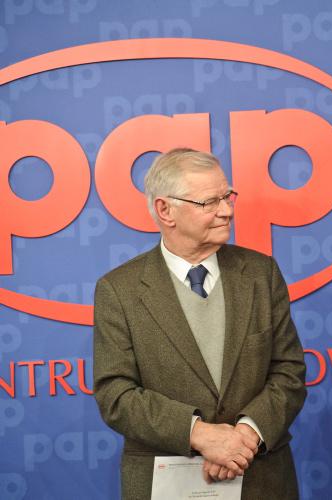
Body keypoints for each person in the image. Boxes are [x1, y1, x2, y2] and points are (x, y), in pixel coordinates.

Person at [93, 148, 306, 499]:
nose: (227, 210)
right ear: (165, 210)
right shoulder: (119, 290)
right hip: (166, 482)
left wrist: (244, 438)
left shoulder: (261, 273)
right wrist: (200, 435)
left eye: (227, 196)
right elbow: (115, 394)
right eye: (209, 202)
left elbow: (289, 371)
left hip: (261, 478)